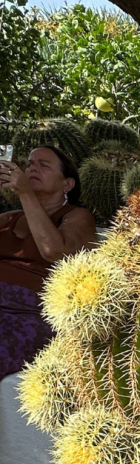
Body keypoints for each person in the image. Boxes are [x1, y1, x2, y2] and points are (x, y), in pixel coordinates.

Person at [0, 145, 96, 381]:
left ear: (67, 184)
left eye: (44, 165)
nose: (33, 168)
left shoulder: (75, 216)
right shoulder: (9, 218)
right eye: (31, 164)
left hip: (28, 311)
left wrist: (25, 194)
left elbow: (54, 251)